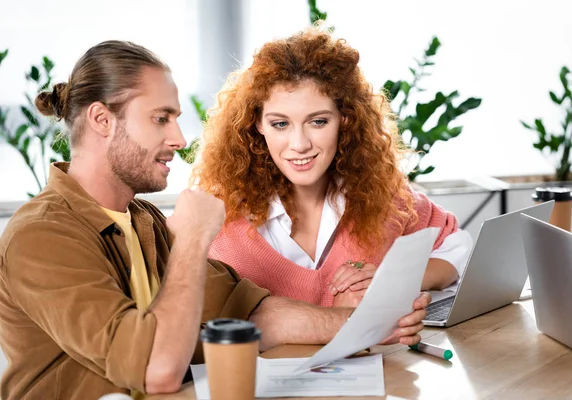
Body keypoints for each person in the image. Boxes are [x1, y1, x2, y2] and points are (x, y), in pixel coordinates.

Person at [0, 40, 430, 400]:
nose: (180, 139)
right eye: (161, 118)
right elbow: (157, 370)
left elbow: (253, 316)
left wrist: (373, 322)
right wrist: (192, 238)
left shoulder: (142, 220)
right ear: (101, 120)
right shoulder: (42, 235)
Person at [194, 26, 473, 308]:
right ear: (258, 125)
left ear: (345, 119)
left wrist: (393, 278)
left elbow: (456, 246)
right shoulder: (219, 216)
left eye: (318, 122)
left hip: (379, 353)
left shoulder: (382, 198)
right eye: (280, 124)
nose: (299, 144)